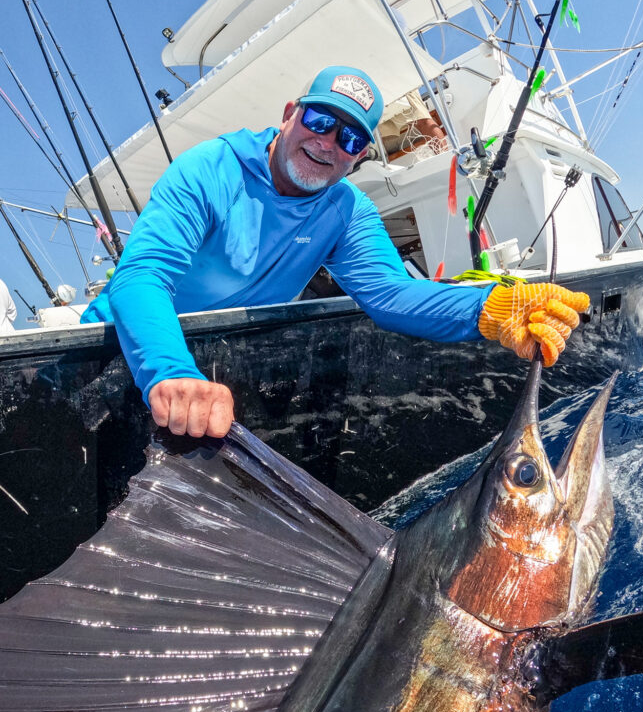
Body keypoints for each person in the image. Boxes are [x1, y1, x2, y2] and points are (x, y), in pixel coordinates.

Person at [82, 65, 588, 438]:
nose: (328, 144)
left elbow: (391, 295)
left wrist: (489, 306)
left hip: (210, 377)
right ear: (289, 116)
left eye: (349, 139)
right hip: (116, 350)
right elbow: (142, 276)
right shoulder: (209, 169)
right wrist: (171, 371)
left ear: (359, 157)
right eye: (321, 121)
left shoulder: (348, 209)